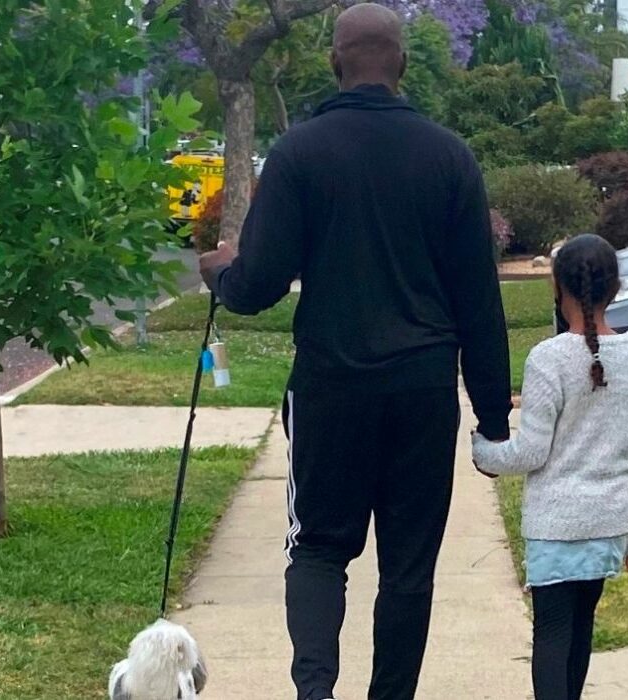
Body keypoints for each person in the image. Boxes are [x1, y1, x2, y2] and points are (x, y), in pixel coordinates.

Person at [198, 4, 512, 700]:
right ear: (400, 64)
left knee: (316, 549)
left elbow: (256, 286)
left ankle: (315, 692)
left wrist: (219, 270)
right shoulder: (448, 156)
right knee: (407, 568)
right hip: (423, 390)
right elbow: (478, 303)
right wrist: (492, 420)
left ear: (334, 62)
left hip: (330, 387)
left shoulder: (300, 153)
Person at [472, 234, 628, 700]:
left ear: (558, 289)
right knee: (581, 630)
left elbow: (530, 452)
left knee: (552, 635)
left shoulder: (548, 358)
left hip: (556, 525)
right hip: (609, 522)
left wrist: (483, 452)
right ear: (615, 289)